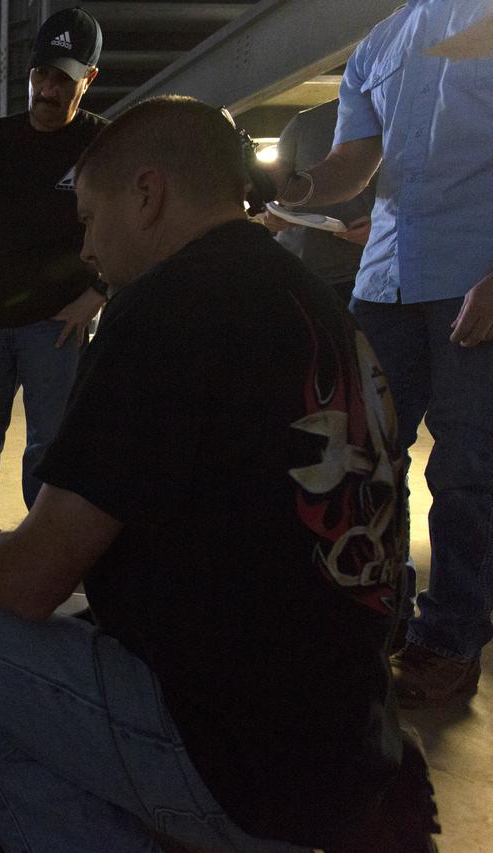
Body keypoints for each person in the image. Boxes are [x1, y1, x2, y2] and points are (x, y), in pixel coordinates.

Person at [0, 97, 423, 851]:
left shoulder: (168, 308)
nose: (85, 248)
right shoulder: (312, 301)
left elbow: (29, 578)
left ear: (147, 194)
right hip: (345, 746)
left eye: (88, 218)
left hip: (241, 767)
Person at [272, 0, 493, 708]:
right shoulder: (380, 43)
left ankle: (449, 640)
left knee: (466, 470)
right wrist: (302, 188)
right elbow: (354, 159)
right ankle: (376, 612)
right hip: (386, 275)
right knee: (363, 459)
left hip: (474, 273)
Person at [0, 8, 109, 529]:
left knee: (48, 450)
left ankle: (43, 544)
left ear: (88, 79)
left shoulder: (102, 146)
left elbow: (133, 232)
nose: (48, 90)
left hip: (55, 328)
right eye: (41, 74)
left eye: (63, 80)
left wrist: (96, 294)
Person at [259, 99, 375, 303]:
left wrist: (384, 228)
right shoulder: (303, 123)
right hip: (301, 269)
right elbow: (270, 192)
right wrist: (270, 214)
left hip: (365, 271)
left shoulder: (391, 117)